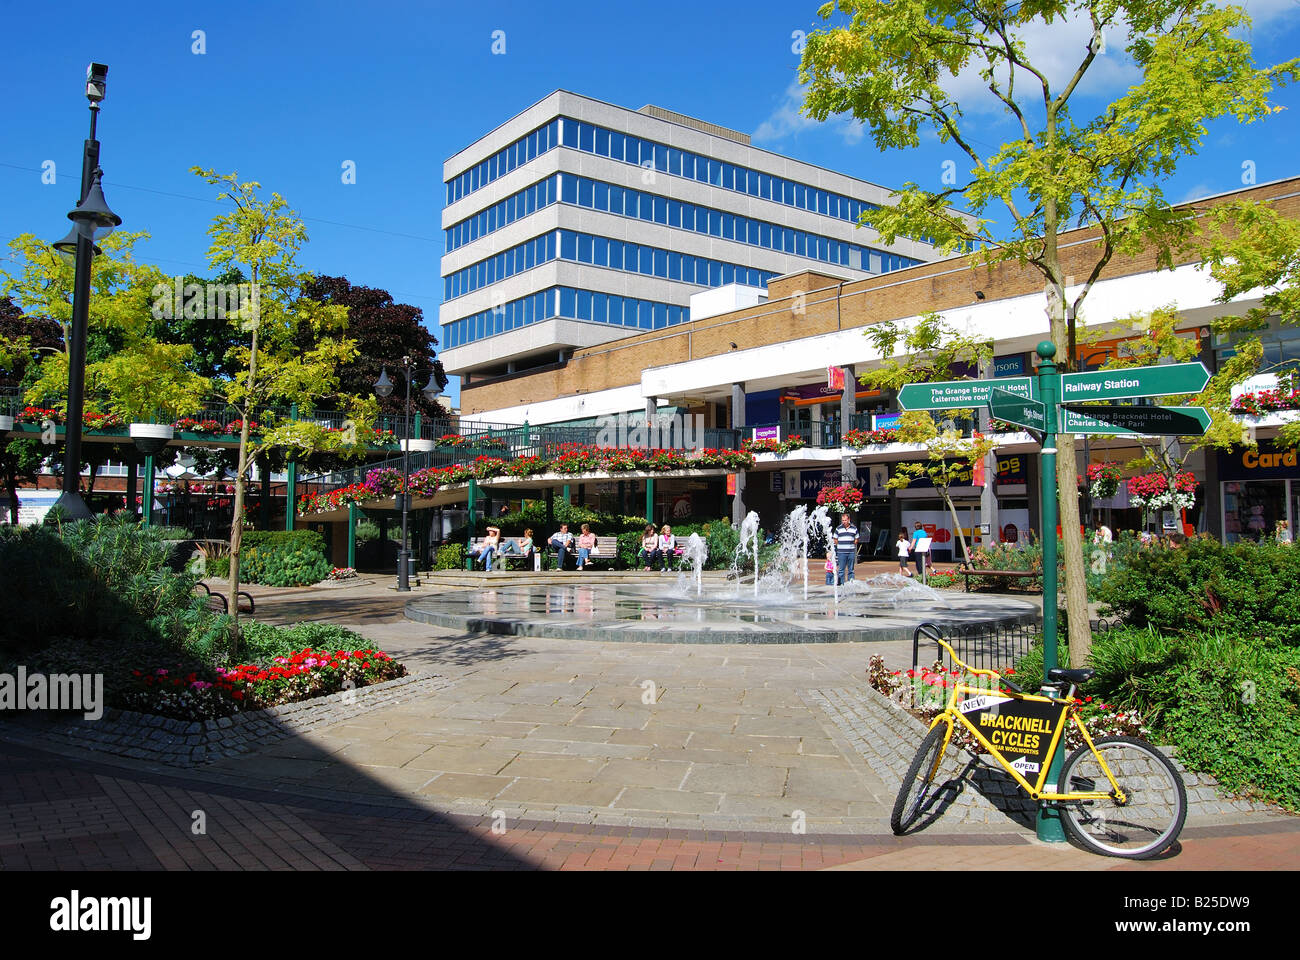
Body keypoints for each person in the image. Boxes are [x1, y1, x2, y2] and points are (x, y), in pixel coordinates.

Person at [835, 513, 859, 586]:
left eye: (845, 520)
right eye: (843, 520)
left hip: (851, 552)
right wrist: (840, 546)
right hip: (841, 552)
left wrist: (851, 545)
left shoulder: (854, 528)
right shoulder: (838, 528)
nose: (844, 522)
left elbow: (856, 538)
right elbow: (835, 539)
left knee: (851, 569)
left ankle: (850, 584)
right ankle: (841, 584)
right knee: (841, 570)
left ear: (849, 520)